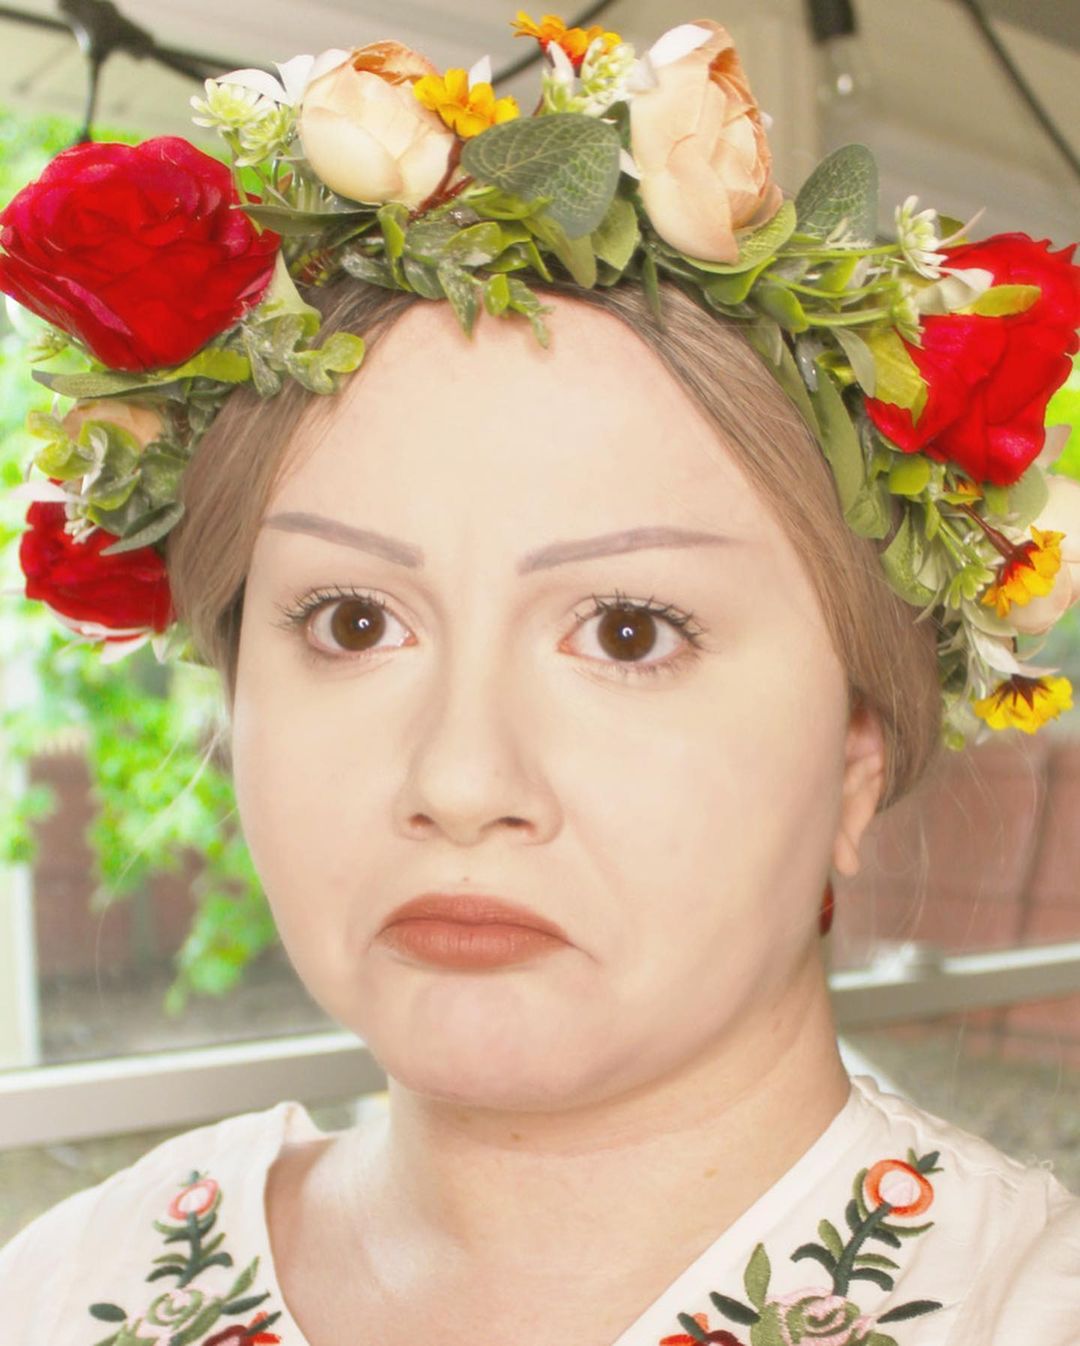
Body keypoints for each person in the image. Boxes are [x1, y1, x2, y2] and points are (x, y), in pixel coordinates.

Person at [1, 13, 1079, 1346]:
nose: (461, 779)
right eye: (351, 620)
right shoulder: (61, 1289)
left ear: (858, 751)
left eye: (628, 631)